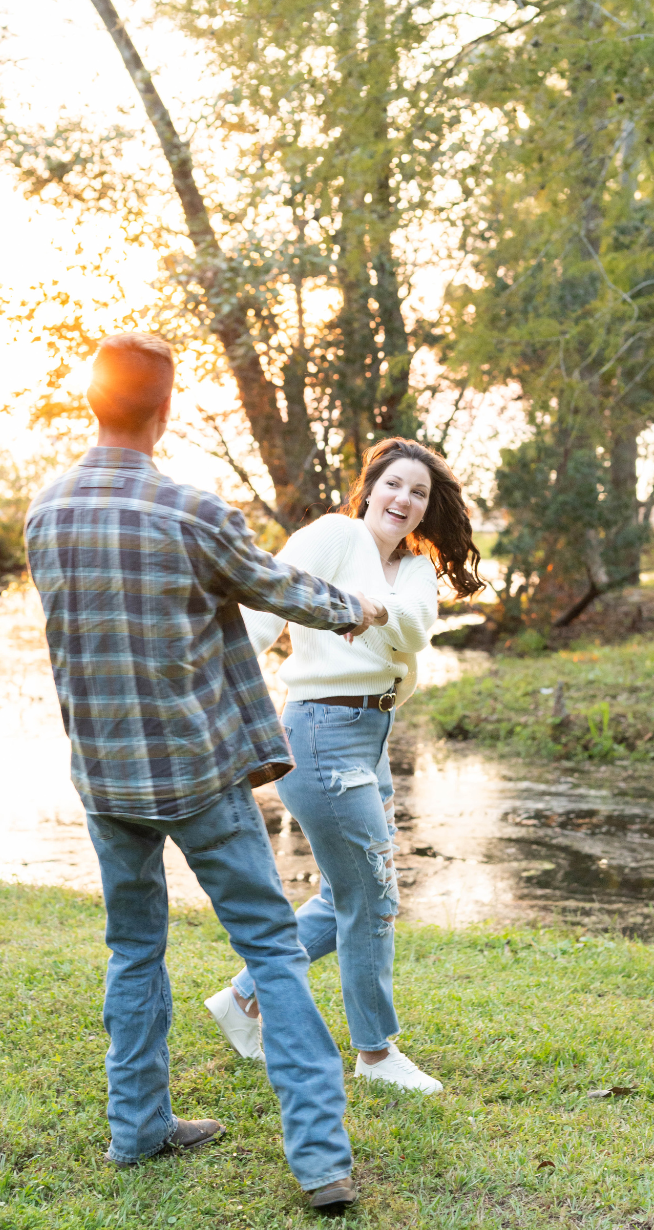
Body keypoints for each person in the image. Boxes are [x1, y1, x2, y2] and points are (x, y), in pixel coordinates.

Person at [24, 332, 388, 1214]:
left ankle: (137, 1129)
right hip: (196, 771)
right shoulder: (187, 509)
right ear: (165, 409)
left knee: (133, 948)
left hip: (104, 774)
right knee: (269, 946)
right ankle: (319, 1164)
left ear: (92, 404)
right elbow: (276, 585)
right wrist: (357, 609)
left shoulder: (46, 510)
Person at [204, 438, 483, 1095]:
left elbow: (414, 626)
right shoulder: (332, 535)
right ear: (370, 489)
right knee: (374, 896)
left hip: (373, 735)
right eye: (393, 485)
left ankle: (246, 998)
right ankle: (376, 1053)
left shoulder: (415, 567)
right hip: (321, 730)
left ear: (425, 507)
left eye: (417, 493)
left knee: (348, 892)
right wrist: (221, 699)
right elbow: (261, 611)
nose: (404, 500)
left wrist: (375, 608)